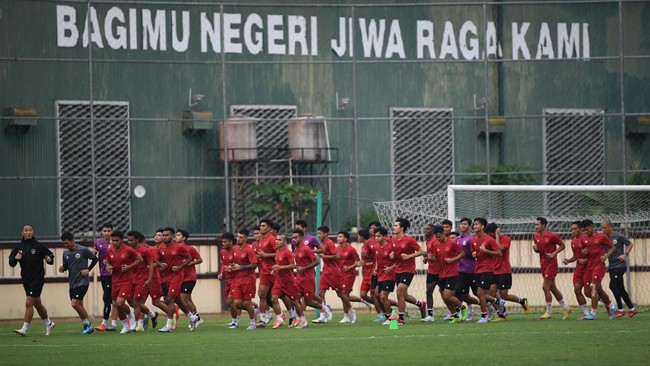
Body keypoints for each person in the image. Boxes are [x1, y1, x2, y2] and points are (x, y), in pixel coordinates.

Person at [9, 224, 56, 336]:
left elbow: (51, 258)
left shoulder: (38, 246)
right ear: (22, 232)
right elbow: (11, 263)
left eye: (30, 230)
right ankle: (49, 323)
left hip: (37, 278)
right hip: (26, 279)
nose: (28, 232)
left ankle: (24, 329)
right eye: (26, 230)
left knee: (29, 302)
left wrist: (49, 259)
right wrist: (15, 258)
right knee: (37, 303)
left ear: (33, 232)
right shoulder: (18, 247)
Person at [157, 227, 198, 332]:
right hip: (166, 277)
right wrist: (160, 264)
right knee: (177, 299)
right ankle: (192, 317)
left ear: (172, 236)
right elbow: (155, 260)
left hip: (177, 276)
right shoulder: (161, 248)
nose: (165, 237)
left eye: (167, 235)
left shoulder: (179, 247)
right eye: (164, 235)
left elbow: (189, 258)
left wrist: (180, 267)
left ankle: (168, 325)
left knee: (170, 299)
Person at [486, 223, 529, 319]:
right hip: (493, 270)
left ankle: (522, 301)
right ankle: (501, 314)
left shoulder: (506, 239)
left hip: (503, 271)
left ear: (495, 232)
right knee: (491, 293)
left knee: (504, 295)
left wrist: (497, 236)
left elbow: (499, 251)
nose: (489, 236)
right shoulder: (489, 240)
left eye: (490, 234)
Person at [58, 231, 98, 334]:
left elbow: (95, 259)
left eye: (67, 243)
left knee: (74, 303)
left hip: (83, 281)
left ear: (72, 240)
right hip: (72, 282)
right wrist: (63, 268)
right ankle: (87, 325)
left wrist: (88, 269)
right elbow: (66, 265)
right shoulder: (65, 252)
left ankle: (87, 323)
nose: (66, 245)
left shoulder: (83, 250)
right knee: (79, 304)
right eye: (64, 244)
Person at [127, 231, 166, 331]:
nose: (129, 242)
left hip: (144, 278)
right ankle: (152, 314)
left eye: (131, 240)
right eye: (128, 240)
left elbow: (152, 263)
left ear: (138, 240)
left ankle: (135, 325)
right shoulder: (128, 250)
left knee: (141, 302)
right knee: (132, 302)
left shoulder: (146, 250)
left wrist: (149, 278)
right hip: (132, 278)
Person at [533, 217, 570, 320]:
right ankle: (566, 308)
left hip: (551, 264)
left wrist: (554, 253)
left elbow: (562, 245)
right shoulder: (535, 236)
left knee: (545, 287)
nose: (536, 226)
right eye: (535, 224)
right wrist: (536, 250)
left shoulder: (552, 235)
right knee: (552, 288)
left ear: (544, 225)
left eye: (538, 224)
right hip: (543, 264)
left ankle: (548, 311)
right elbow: (539, 250)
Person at [291, 229, 331, 326]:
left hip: (308, 278)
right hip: (299, 278)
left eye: (296, 238)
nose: (293, 240)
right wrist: (296, 267)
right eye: (292, 238)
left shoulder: (306, 249)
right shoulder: (296, 249)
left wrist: (304, 268)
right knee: (295, 299)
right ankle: (302, 321)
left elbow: (316, 262)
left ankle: (324, 308)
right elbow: (299, 263)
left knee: (308, 301)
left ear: (301, 238)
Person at [106, 230, 142, 334]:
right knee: (117, 305)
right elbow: (107, 261)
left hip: (126, 280)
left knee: (119, 302)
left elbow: (140, 259)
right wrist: (108, 266)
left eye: (117, 240)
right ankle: (125, 326)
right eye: (113, 240)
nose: (115, 242)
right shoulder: (110, 250)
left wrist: (129, 267)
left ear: (122, 240)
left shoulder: (128, 250)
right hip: (115, 280)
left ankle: (130, 316)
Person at [391, 218, 426, 324]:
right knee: (404, 295)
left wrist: (408, 256)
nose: (394, 227)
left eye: (396, 225)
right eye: (394, 225)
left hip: (408, 270)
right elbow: (394, 253)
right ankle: (421, 304)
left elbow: (422, 252)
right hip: (398, 269)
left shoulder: (409, 240)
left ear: (402, 228)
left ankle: (401, 318)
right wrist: (392, 255)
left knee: (399, 292)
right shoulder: (392, 239)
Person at [313, 225, 350, 323]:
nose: (319, 235)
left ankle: (351, 311)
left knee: (340, 294)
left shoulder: (329, 243)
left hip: (334, 272)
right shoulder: (322, 243)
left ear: (325, 234)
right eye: (318, 233)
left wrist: (324, 256)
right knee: (320, 293)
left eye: (320, 233)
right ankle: (323, 314)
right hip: (326, 271)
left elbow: (337, 256)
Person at [580, 219, 615, 320]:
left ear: (592, 227)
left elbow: (613, 247)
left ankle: (593, 313)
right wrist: (584, 252)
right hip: (589, 268)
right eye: (584, 230)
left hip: (599, 267)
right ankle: (611, 306)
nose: (586, 232)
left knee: (593, 289)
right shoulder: (584, 238)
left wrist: (606, 256)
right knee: (587, 292)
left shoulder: (601, 237)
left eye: (587, 229)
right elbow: (583, 251)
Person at [601, 220, 636, 318]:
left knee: (612, 285)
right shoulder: (604, 239)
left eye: (604, 227)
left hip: (620, 266)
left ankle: (620, 309)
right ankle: (632, 309)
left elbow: (630, 244)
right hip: (612, 266)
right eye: (602, 228)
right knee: (620, 288)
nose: (603, 230)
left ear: (610, 227)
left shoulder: (618, 236)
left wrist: (625, 254)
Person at [432, 225, 467, 323]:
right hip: (442, 273)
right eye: (436, 237)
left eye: (439, 236)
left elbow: (462, 254)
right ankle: (455, 315)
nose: (438, 238)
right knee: (443, 295)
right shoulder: (436, 245)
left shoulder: (451, 243)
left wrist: (452, 259)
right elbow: (437, 258)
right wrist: (430, 258)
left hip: (452, 272)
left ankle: (463, 307)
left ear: (444, 234)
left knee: (447, 295)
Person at [270, 234, 306, 329]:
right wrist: (275, 270)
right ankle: (280, 317)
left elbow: (292, 265)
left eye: (279, 240)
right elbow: (279, 265)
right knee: (273, 298)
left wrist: (280, 267)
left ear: (284, 242)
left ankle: (302, 319)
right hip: (279, 281)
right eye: (276, 240)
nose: (277, 241)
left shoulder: (287, 252)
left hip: (289, 282)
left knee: (295, 302)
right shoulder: (277, 251)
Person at [470, 218, 501, 323]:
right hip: (477, 269)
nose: (474, 226)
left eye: (477, 224)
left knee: (480, 292)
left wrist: (486, 251)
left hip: (487, 269)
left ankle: (484, 316)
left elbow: (499, 253)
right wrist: (474, 254)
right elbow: (474, 253)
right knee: (480, 293)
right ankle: (497, 302)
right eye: (474, 224)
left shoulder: (489, 239)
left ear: (482, 226)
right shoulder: (473, 240)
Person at [230, 229, 259, 330]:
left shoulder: (249, 250)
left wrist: (241, 267)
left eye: (241, 237)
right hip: (238, 279)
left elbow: (254, 265)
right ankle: (254, 309)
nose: (238, 239)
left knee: (247, 302)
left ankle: (252, 323)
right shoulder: (235, 249)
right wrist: (231, 266)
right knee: (236, 303)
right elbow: (235, 263)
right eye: (237, 237)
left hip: (248, 279)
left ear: (246, 238)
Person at [562, 221, 591, 320]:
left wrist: (586, 260)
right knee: (577, 289)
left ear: (580, 229)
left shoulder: (586, 239)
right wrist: (568, 261)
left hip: (589, 267)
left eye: (575, 229)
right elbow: (576, 256)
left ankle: (608, 304)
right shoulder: (573, 241)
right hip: (579, 268)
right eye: (572, 229)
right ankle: (586, 313)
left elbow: (595, 253)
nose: (573, 231)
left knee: (588, 292)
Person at [176, 229, 204, 329]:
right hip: (180, 277)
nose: (176, 236)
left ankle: (196, 318)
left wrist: (188, 264)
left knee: (183, 298)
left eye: (178, 235)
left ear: (184, 238)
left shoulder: (190, 249)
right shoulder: (175, 249)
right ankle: (197, 318)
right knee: (187, 300)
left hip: (190, 277)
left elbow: (200, 260)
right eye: (176, 235)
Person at [93, 223, 118, 331]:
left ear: (112, 231)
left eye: (109, 231)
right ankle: (129, 317)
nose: (107, 233)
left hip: (115, 274)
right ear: (102, 232)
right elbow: (93, 254)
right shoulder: (98, 243)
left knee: (107, 298)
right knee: (113, 300)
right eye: (105, 231)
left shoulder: (116, 243)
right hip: (103, 274)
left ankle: (104, 323)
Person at [455, 217, 480, 321]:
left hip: (471, 270)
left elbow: (475, 254)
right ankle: (460, 313)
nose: (462, 226)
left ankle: (489, 306)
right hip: (460, 270)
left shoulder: (472, 239)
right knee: (458, 291)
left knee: (477, 293)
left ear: (469, 226)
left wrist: (464, 254)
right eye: (461, 224)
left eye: (465, 224)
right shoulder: (457, 239)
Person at [256, 219, 277, 325]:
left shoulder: (272, 239)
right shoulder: (261, 240)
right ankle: (263, 319)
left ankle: (292, 314)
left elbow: (279, 253)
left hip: (273, 271)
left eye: (263, 226)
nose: (261, 227)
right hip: (264, 271)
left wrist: (266, 255)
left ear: (269, 228)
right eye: (260, 226)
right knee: (261, 294)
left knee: (281, 295)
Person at [374, 227, 397, 325]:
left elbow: (398, 261)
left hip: (390, 275)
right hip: (380, 275)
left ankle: (389, 318)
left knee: (383, 296)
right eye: (375, 236)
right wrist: (375, 269)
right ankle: (392, 314)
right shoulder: (376, 247)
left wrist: (391, 268)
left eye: (379, 236)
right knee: (377, 295)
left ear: (384, 236)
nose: (376, 238)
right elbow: (377, 260)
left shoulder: (390, 247)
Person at [337, 231, 361, 323]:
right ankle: (347, 315)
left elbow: (359, 262)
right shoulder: (337, 249)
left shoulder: (351, 249)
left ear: (345, 239)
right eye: (338, 236)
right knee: (343, 295)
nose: (338, 238)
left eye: (340, 236)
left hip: (350, 274)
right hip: (340, 274)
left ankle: (348, 314)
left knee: (344, 293)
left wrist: (349, 267)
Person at [218, 232, 239, 328]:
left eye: (225, 242)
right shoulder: (222, 252)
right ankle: (254, 308)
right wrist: (222, 273)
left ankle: (235, 321)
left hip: (236, 278)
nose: (223, 244)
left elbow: (239, 265)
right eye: (222, 242)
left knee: (231, 300)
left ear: (231, 242)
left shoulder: (236, 251)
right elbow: (224, 264)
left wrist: (231, 268)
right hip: (228, 279)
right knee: (229, 302)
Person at [422, 223, 441, 322]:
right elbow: (430, 255)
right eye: (425, 228)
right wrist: (426, 259)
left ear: (433, 231)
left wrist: (427, 255)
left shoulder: (435, 241)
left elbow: (438, 257)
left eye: (428, 229)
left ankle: (458, 309)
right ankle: (430, 315)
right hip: (431, 271)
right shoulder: (428, 241)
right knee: (429, 292)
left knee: (446, 294)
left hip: (441, 271)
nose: (425, 230)